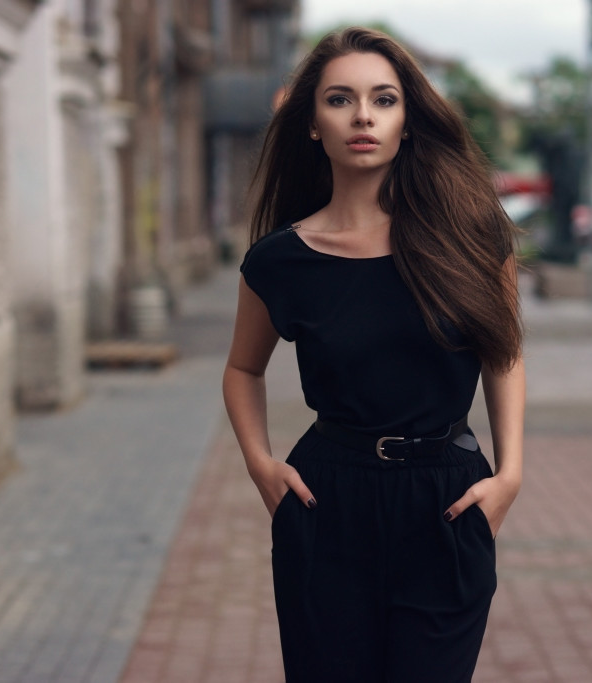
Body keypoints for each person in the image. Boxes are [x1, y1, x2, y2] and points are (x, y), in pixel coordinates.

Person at [222, 27, 525, 683]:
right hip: (328, 499)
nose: (363, 115)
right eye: (340, 99)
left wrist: (511, 474)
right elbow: (243, 368)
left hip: (448, 497)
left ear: (408, 120)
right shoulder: (281, 260)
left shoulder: (473, 236)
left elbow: (503, 355)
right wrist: (259, 463)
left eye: (383, 99)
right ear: (311, 124)